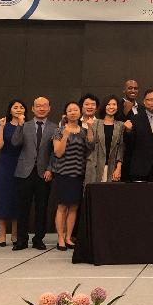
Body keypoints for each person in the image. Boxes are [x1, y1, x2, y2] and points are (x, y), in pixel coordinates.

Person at [10, 96, 57, 251]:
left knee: (42, 208)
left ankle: (38, 239)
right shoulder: (25, 125)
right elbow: (15, 142)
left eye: (44, 106)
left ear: (49, 108)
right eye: (38, 106)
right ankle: (21, 240)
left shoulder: (55, 127)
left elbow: (55, 152)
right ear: (32, 108)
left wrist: (50, 168)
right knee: (22, 208)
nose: (41, 108)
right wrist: (19, 125)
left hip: (44, 173)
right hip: (24, 172)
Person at [51, 101, 94, 251]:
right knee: (62, 206)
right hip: (63, 174)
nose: (73, 112)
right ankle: (60, 238)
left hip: (78, 174)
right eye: (70, 110)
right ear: (66, 114)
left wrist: (90, 128)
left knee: (74, 207)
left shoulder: (83, 131)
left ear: (80, 112)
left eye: (75, 110)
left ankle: (69, 237)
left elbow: (90, 146)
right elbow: (58, 153)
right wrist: (65, 135)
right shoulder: (59, 130)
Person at [0, 99, 26, 247]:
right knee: (3, 198)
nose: (18, 109)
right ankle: (2, 234)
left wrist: (21, 124)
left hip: (21, 166)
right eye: (15, 107)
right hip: (6, 166)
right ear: (10, 110)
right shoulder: (4, 125)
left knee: (17, 199)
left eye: (21, 107)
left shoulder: (27, 126)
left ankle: (14, 233)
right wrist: (1, 127)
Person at [85, 96, 125, 184]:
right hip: (95, 167)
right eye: (108, 104)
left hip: (112, 168)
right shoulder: (95, 123)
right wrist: (89, 128)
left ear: (118, 107)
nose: (111, 107)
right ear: (104, 106)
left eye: (114, 104)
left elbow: (121, 148)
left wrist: (118, 168)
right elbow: (90, 145)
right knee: (94, 191)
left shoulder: (121, 125)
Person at [121, 80, 139, 181]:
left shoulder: (142, 108)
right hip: (122, 151)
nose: (133, 90)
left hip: (137, 153)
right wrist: (125, 112)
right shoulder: (116, 105)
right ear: (124, 90)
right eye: (130, 88)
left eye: (135, 88)